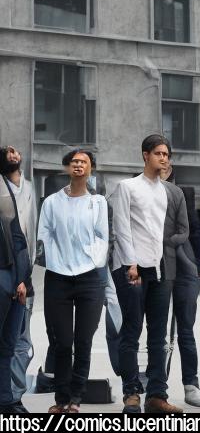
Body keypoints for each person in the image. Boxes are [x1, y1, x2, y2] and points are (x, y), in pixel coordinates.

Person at [109, 135, 186, 413]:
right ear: (145, 155)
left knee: (158, 336)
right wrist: (131, 264)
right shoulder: (126, 186)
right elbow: (121, 227)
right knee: (131, 331)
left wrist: (161, 268)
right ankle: (131, 393)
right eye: (158, 153)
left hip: (158, 270)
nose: (163, 158)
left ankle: (157, 395)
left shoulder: (166, 191)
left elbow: (158, 234)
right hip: (132, 269)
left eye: (166, 154)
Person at [38, 149, 108, 414]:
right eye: (74, 161)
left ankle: (76, 400)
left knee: (84, 341)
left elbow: (103, 236)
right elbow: (44, 235)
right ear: (67, 166)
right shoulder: (52, 202)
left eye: (84, 162)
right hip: (58, 278)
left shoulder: (98, 202)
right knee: (63, 342)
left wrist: (91, 261)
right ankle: (61, 398)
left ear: (91, 169)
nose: (79, 165)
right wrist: (59, 262)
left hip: (89, 278)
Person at [160, 163, 200, 408]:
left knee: (186, 330)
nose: (162, 163)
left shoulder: (184, 193)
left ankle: (191, 386)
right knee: (155, 330)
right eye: (157, 155)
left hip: (184, 266)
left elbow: (195, 230)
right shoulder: (138, 190)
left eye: (166, 158)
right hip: (155, 265)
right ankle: (156, 388)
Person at [1, 146, 36, 408]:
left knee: (11, 345)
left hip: (17, 279)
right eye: (6, 153)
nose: (13, 155)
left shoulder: (19, 194)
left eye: (15, 152)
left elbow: (21, 239)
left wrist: (23, 279)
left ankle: (9, 400)